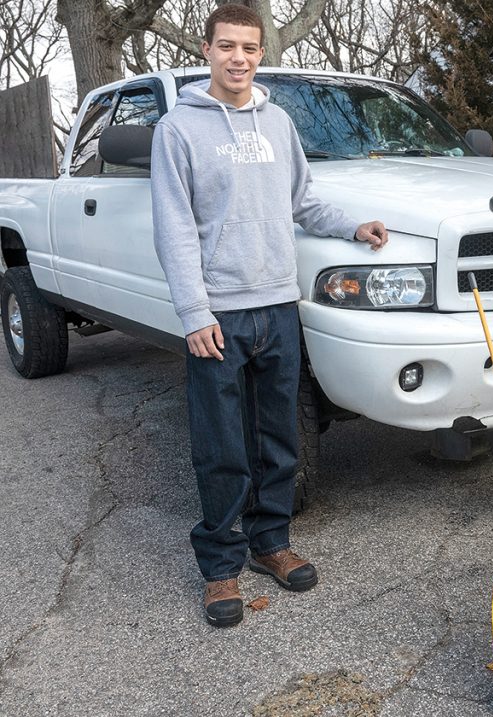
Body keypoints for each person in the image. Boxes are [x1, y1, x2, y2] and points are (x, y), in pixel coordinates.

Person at [151, 3, 388, 627]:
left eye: (250, 48)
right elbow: (174, 229)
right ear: (207, 50)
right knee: (222, 443)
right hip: (219, 316)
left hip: (279, 303)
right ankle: (221, 565)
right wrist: (193, 310)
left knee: (279, 435)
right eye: (227, 46)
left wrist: (353, 227)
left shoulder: (278, 122)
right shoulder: (178, 129)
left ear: (261, 54)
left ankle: (270, 542)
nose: (239, 58)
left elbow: (303, 200)